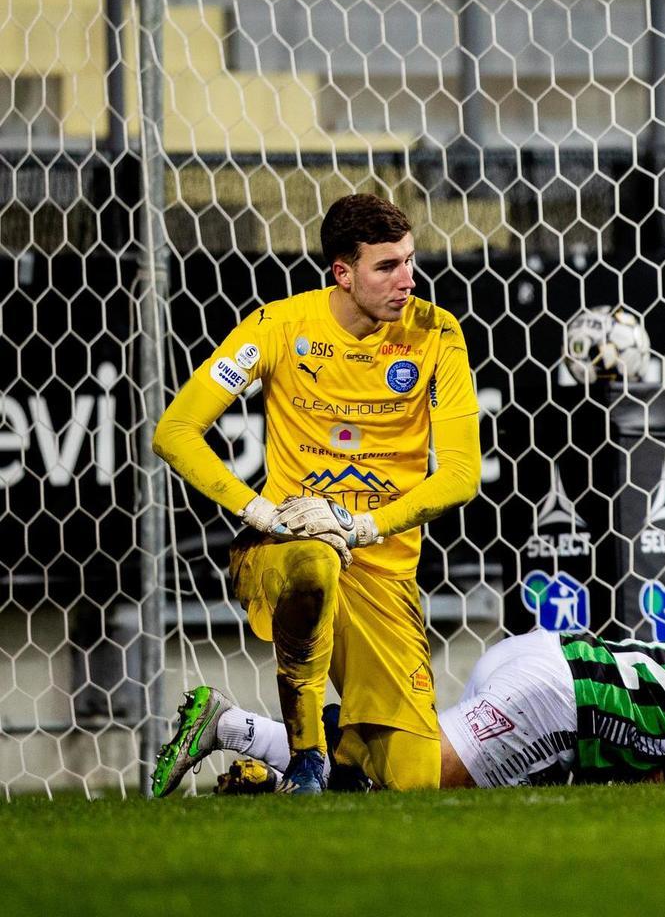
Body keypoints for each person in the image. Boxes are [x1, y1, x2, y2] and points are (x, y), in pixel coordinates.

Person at [150, 193, 482, 795]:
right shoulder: (278, 327)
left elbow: (460, 476)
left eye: (409, 260)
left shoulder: (436, 334)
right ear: (343, 273)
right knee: (314, 562)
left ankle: (244, 740)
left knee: (414, 780)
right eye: (387, 267)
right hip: (282, 549)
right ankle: (304, 757)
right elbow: (175, 433)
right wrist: (261, 513)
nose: (407, 280)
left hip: (382, 571)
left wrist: (360, 527)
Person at [151, 632, 665, 791]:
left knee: (436, 791)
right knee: (417, 777)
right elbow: (659, 795)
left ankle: (270, 782)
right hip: (554, 703)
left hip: (540, 651)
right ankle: (228, 725)